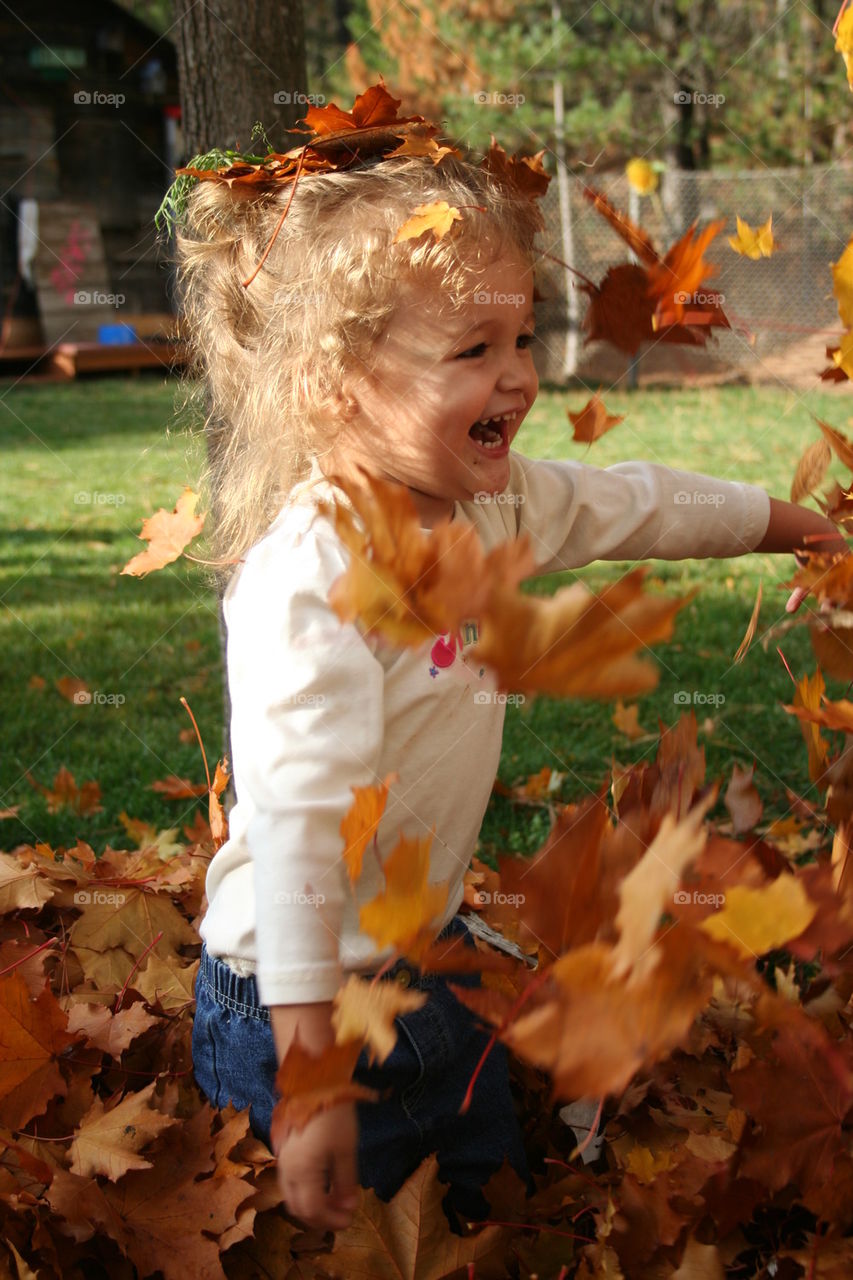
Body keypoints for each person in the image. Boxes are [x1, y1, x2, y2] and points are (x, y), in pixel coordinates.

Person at [170, 111, 844, 1239]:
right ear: (338, 382)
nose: (519, 376)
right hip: (294, 1002)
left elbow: (639, 502)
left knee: (484, 1211)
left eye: (522, 338)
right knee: (340, 1241)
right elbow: (296, 835)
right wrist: (312, 1079)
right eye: (472, 350)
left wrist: (796, 527)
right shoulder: (315, 577)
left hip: (424, 962)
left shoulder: (494, 500)